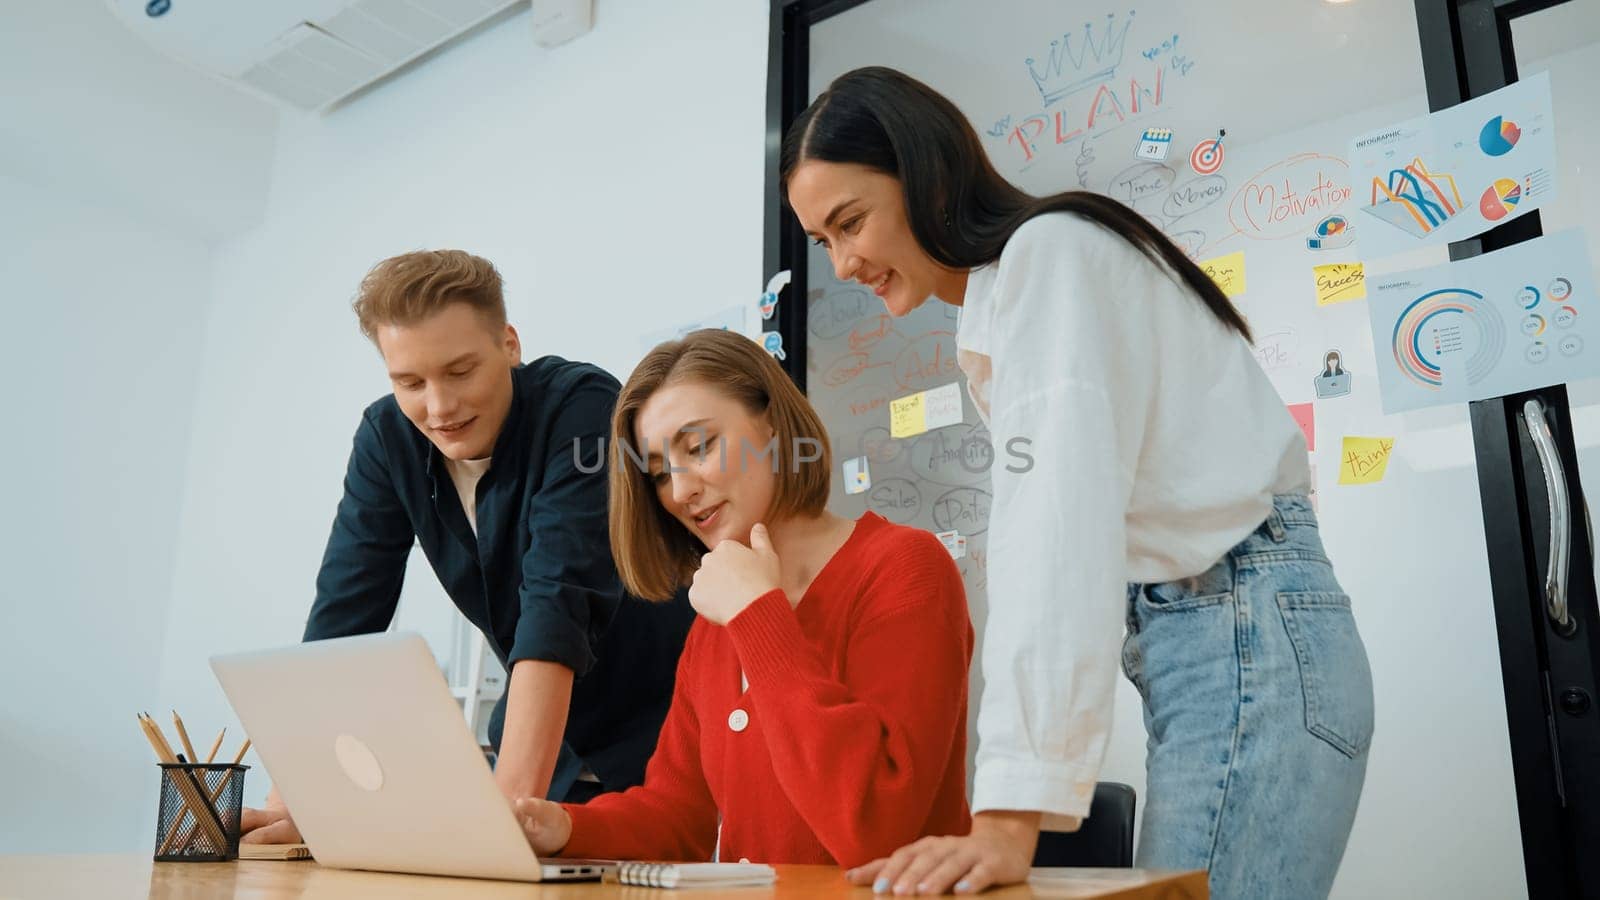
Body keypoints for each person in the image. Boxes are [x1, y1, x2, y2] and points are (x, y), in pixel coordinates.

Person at [781, 67, 1373, 898]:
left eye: (851, 223)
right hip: (1231, 627)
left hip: (1243, 626)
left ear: (926, 173)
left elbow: (1055, 530)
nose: (843, 264)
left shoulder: (1048, 257)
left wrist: (1006, 820)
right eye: (822, 241)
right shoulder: (1017, 285)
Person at [240, 250, 692, 843]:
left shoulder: (581, 407)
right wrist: (297, 800)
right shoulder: (387, 439)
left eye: (459, 371)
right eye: (410, 382)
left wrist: (498, 826)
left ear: (509, 343)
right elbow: (341, 623)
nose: (439, 407)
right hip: (543, 749)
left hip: (658, 731)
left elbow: (557, 608)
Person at [510, 328, 973, 867]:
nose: (680, 492)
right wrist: (563, 825)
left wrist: (758, 615)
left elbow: (872, 827)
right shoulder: (718, 619)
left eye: (700, 446)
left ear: (773, 427)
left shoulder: (902, 568)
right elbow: (677, 815)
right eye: (659, 474)